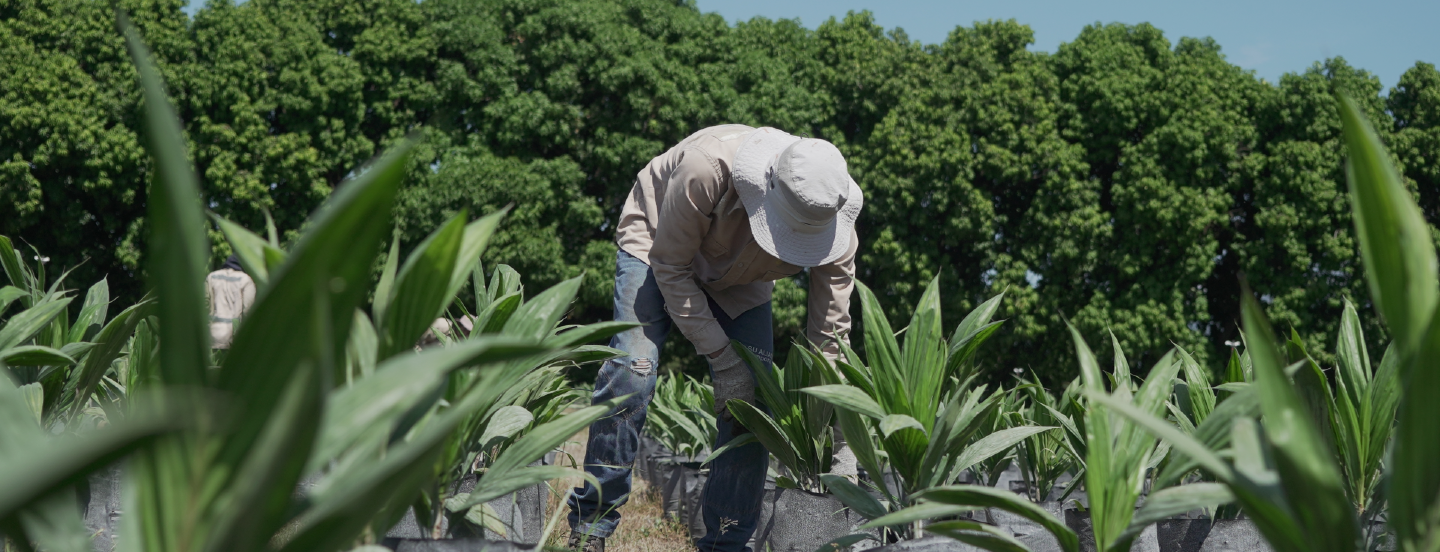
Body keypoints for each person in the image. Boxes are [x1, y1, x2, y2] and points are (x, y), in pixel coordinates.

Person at [566, 125, 863, 552]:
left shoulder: (835, 222)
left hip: (743, 277)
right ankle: (590, 526)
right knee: (634, 370)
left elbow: (830, 339)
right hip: (656, 245)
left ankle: (727, 541)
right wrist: (723, 361)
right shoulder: (707, 168)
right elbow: (670, 268)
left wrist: (843, 439)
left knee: (753, 404)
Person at [206, 255, 256, 349]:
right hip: (233, 337)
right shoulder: (246, 280)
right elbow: (247, 310)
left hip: (212, 335)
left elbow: (205, 305)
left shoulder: (211, 277)